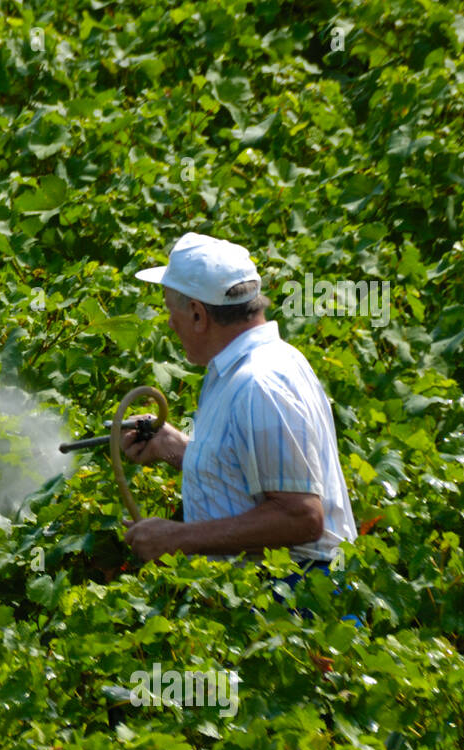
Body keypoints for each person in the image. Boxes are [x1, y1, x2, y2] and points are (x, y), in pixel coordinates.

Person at [119, 232, 357, 571]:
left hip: (293, 600)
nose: (171, 324)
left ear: (199, 315)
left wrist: (178, 538)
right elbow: (244, 476)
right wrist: (172, 448)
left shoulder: (260, 384)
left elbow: (301, 516)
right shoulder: (237, 369)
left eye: (173, 312)